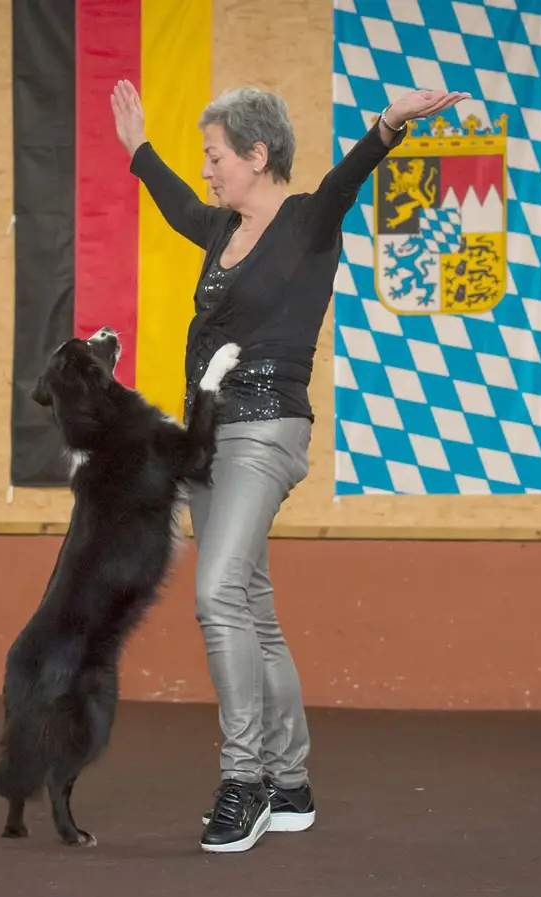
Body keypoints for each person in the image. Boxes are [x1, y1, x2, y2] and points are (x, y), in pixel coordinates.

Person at [110, 80, 468, 854]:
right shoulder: (220, 229)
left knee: (216, 595)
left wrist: (388, 124)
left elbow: (348, 178)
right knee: (252, 609)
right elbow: (176, 204)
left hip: (266, 431)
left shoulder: (306, 221)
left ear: (256, 153)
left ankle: (244, 780)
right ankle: (291, 785)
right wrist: (138, 150)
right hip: (208, 439)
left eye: (215, 155)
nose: (206, 169)